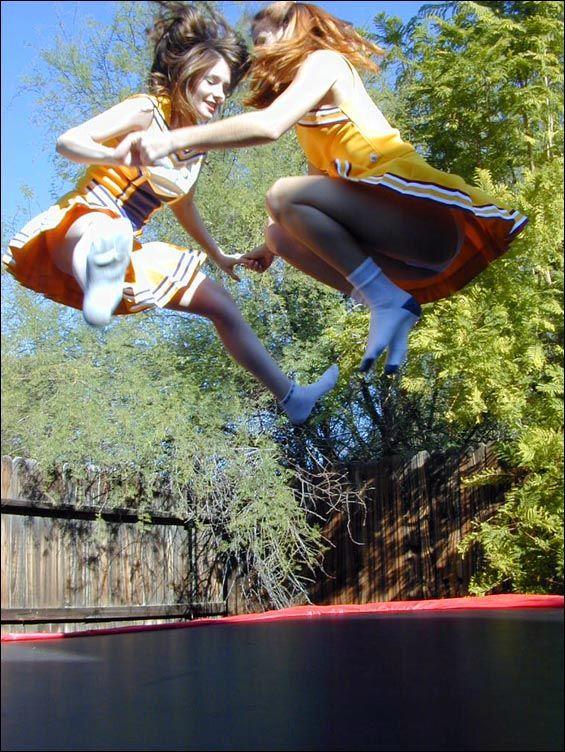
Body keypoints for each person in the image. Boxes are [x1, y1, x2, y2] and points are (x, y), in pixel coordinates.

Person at [114, 0, 528, 375]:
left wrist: (171, 139)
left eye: (262, 39)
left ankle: (385, 300)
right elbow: (316, 186)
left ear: (292, 27)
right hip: (409, 258)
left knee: (279, 195)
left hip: (428, 226)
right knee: (277, 233)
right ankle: (383, 301)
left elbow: (268, 126)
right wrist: (270, 246)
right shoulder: (310, 117)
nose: (257, 54)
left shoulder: (325, 62)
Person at [2, 2, 338, 426]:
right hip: (83, 223)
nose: (219, 93)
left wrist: (220, 256)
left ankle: (292, 398)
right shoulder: (148, 110)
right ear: (187, 75)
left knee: (220, 304)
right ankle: (98, 277)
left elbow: (186, 205)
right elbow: (68, 141)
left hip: (129, 243)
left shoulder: (195, 145)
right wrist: (114, 155)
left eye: (226, 86)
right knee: (102, 229)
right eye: (211, 81)